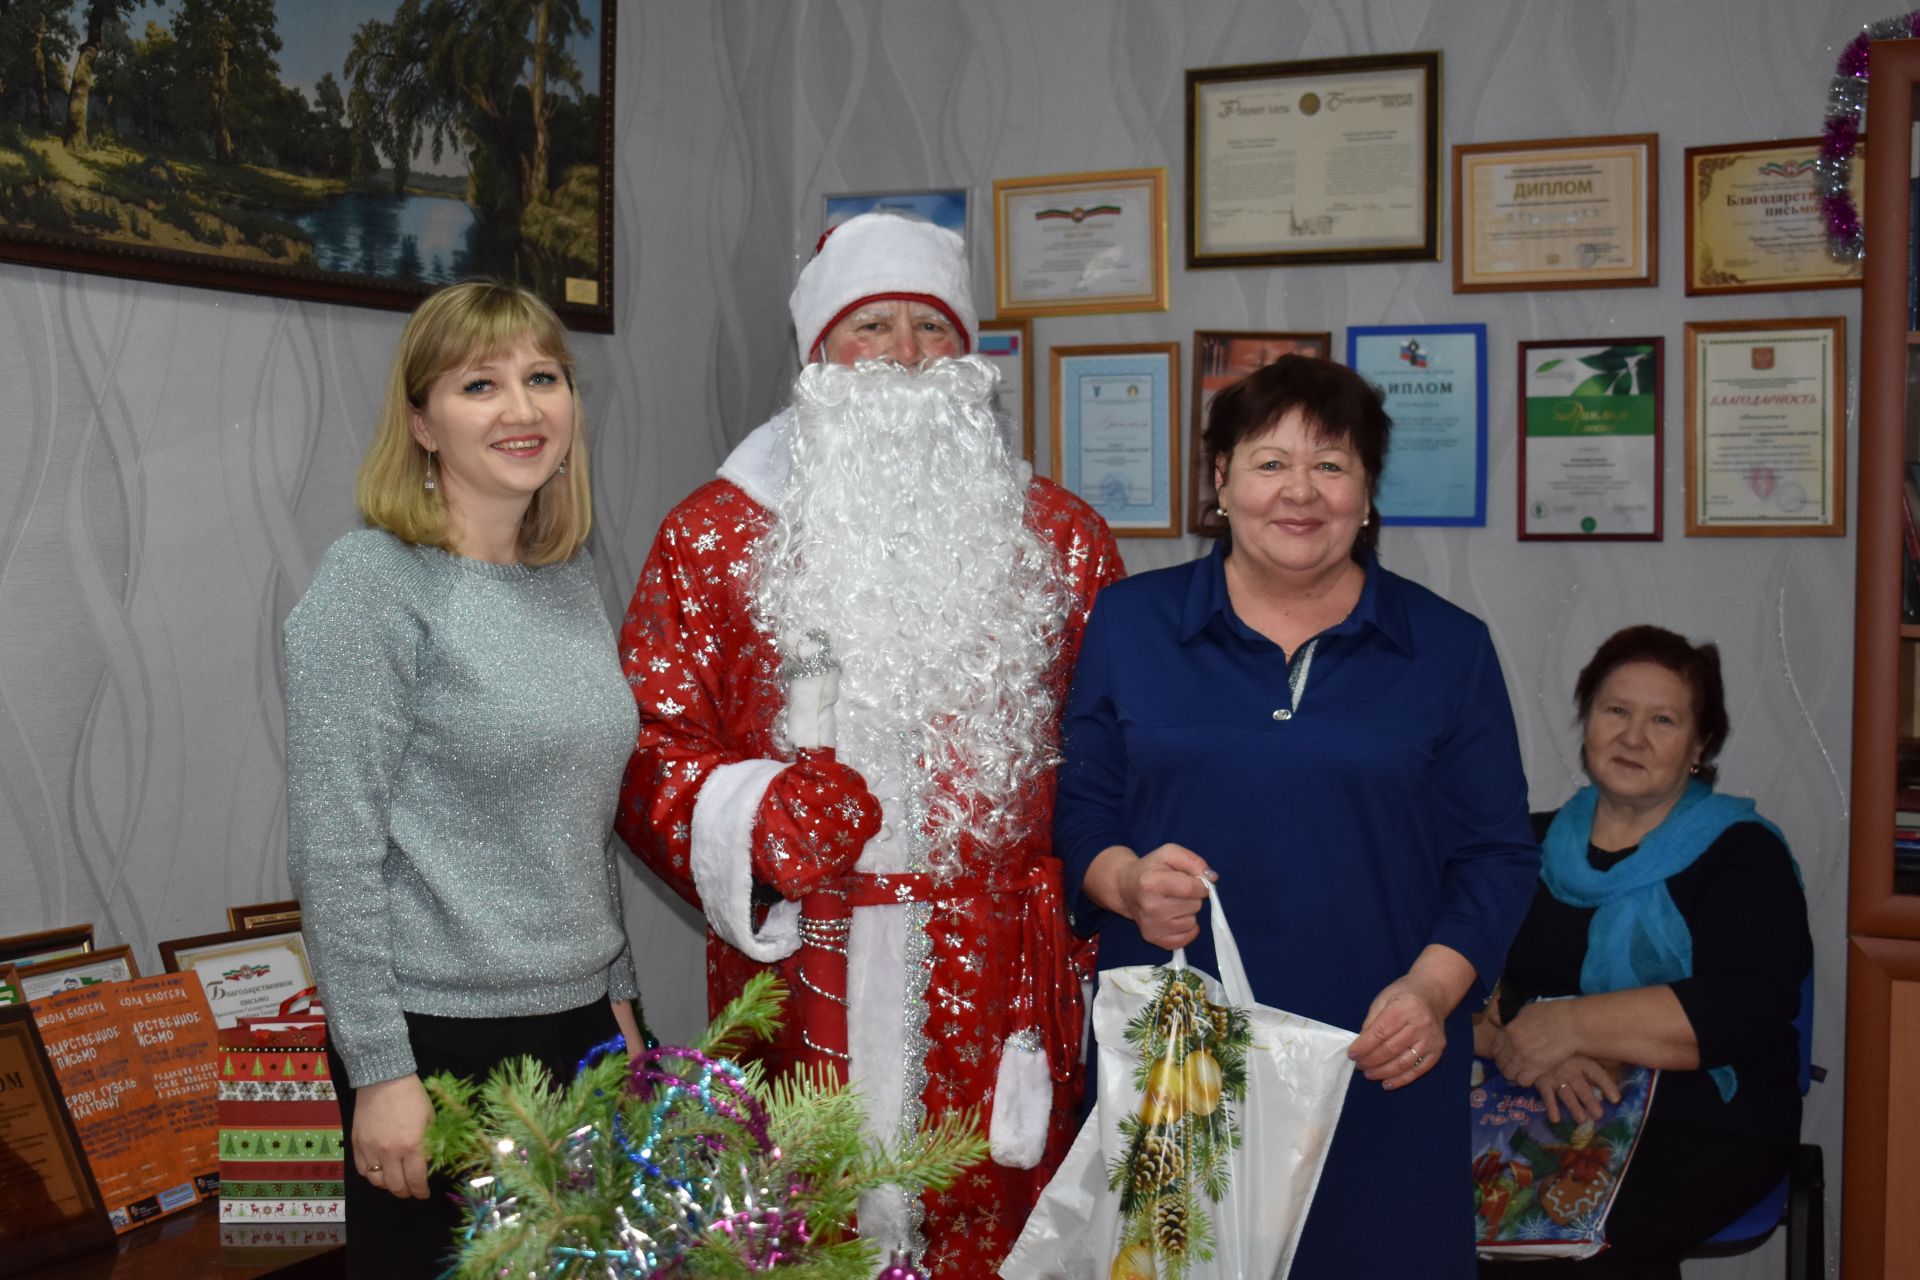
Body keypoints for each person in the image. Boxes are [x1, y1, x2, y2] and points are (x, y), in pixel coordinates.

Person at [614, 211, 1122, 1277]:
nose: (902, 356)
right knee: (805, 1225)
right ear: (816, 358)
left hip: (995, 975)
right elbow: (646, 740)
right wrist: (755, 812)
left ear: (969, 353)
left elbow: (1116, 754)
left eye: (931, 329)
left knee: (1001, 1230)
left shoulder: (1063, 540)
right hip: (804, 959)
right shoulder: (715, 533)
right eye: (871, 327)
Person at [1053, 355, 1540, 1279]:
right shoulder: (1130, 624)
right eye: (1269, 462)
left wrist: (1434, 995)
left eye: (1331, 463)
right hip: (1181, 1066)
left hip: (1378, 1059)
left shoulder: (1447, 649)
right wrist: (1123, 881)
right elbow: (1082, 809)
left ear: (1367, 490)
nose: (1299, 492)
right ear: (1221, 483)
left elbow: (1496, 856)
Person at [285, 281, 642, 1279]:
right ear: (422, 423)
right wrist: (381, 1068)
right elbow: (335, 850)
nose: (522, 409)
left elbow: (579, 816)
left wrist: (617, 1002)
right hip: (434, 1042)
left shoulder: (567, 582)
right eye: (480, 384)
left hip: (581, 1030)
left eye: (543, 378)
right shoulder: (369, 584)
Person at [1476, 625, 1812, 1279]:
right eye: (1616, 711)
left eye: (1663, 720)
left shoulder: (1744, 854)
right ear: (1588, 722)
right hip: (1534, 1104)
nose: (1633, 737)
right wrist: (1515, 1046)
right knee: (1428, 1227)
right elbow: (1452, 990)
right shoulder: (1521, 845)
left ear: (1700, 745)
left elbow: (1741, 1008)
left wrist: (1564, 1024)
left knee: (1581, 1250)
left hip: (1702, 1121)